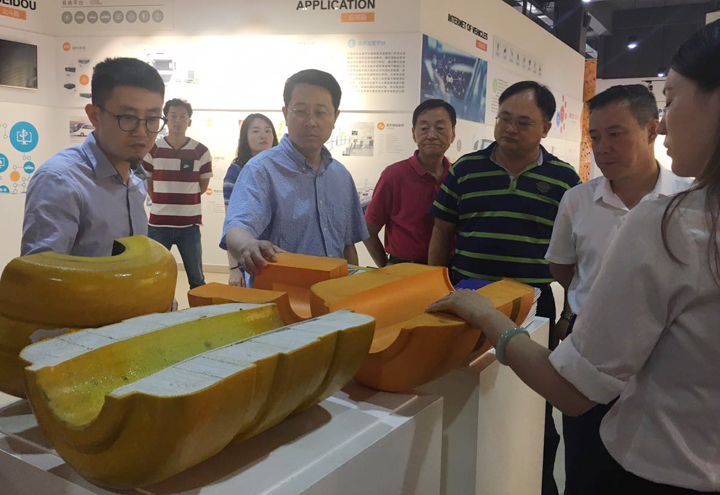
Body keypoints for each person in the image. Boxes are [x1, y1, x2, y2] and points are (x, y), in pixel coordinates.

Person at [428, 20, 720, 494]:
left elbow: (572, 388)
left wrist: (486, 314)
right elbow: (558, 264)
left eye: (671, 99)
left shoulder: (669, 221)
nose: (667, 122)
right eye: (504, 118)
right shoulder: (478, 172)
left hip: (659, 465)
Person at [428, 80, 581, 495]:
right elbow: (442, 232)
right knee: (464, 394)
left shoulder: (565, 180)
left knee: (535, 405)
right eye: (504, 119)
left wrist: (568, 315)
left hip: (534, 310)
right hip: (467, 302)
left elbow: (578, 253)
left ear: (545, 127)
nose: (510, 129)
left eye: (523, 122)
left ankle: (538, 483)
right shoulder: (465, 170)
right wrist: (435, 286)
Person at [545, 84, 692, 494]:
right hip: (589, 340)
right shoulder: (577, 201)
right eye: (595, 136)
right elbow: (562, 265)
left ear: (651, 131)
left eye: (616, 134)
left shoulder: (687, 199)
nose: (602, 148)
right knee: (585, 462)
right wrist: (590, 302)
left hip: (663, 352)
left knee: (651, 468)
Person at [222, 69, 368, 276]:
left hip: (335, 291)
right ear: (285, 114)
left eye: (320, 112)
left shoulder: (341, 176)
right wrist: (247, 245)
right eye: (300, 111)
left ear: (335, 117)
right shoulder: (261, 170)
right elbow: (237, 228)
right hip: (281, 292)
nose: (311, 122)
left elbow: (348, 246)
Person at [22, 57, 165, 256]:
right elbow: (41, 272)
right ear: (95, 116)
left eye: (152, 119)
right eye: (128, 117)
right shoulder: (61, 181)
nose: (141, 132)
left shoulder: (136, 177)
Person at [363, 99, 456, 267]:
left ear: (453, 134)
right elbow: (368, 230)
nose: (431, 135)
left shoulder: (457, 177)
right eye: (424, 128)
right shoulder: (394, 175)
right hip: (404, 269)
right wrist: (385, 267)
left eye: (440, 128)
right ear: (414, 133)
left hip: (449, 270)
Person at [142, 98, 212, 289]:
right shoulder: (153, 149)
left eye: (183, 117)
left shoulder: (201, 151)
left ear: (189, 121)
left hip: (189, 226)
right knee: (153, 277)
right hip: (158, 225)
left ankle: (199, 309)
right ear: (166, 119)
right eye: (173, 116)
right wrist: (161, 200)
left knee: (197, 279)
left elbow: (202, 186)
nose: (177, 121)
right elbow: (149, 183)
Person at [223, 114, 278, 286]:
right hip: (249, 256)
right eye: (255, 131)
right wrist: (234, 268)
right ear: (245, 137)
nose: (263, 136)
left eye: (268, 131)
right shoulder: (236, 171)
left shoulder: (281, 169)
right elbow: (231, 223)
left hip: (277, 253)